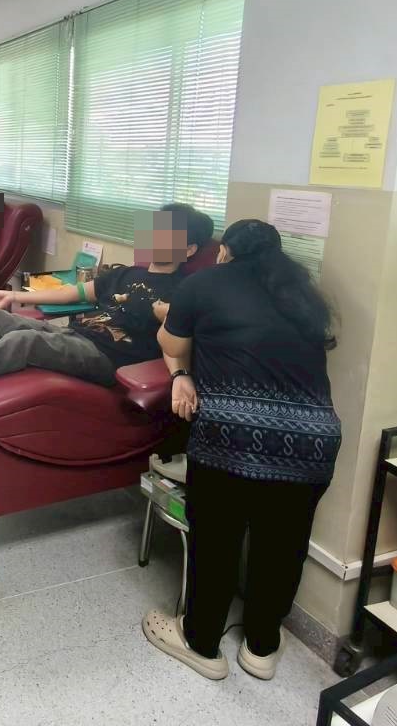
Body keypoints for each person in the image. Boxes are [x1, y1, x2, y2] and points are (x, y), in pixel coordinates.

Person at [143, 219, 341, 683]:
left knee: (217, 541)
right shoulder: (303, 294)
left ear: (224, 251)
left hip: (230, 437)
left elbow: (170, 342)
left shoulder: (203, 283)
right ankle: (261, 647)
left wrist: (180, 372)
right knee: (282, 547)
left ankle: (200, 643)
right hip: (312, 442)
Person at [0, 204, 214, 390]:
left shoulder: (186, 290)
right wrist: (12, 296)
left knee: (23, 342)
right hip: (75, 334)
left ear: (188, 249)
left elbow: (181, 335)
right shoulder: (125, 273)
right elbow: (71, 293)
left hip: (109, 357)